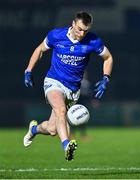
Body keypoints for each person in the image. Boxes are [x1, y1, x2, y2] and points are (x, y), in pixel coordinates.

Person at [23, 11, 113, 161]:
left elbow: (108, 57)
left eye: (85, 30)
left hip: (73, 89)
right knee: (60, 109)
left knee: (52, 129)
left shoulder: (93, 41)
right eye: (79, 29)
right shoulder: (56, 35)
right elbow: (39, 50)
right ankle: (66, 144)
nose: (82, 33)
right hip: (54, 81)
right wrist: (28, 70)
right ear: (73, 24)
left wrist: (106, 78)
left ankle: (34, 129)